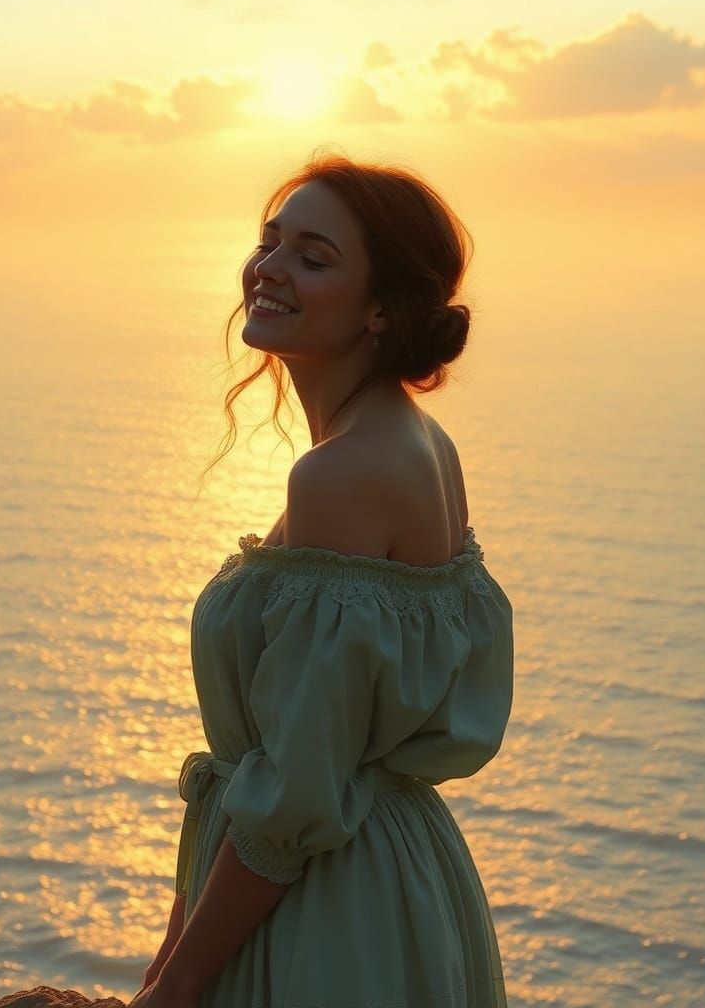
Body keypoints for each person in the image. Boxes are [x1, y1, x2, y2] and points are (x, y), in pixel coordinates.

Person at [128, 150, 515, 1008]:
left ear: (381, 309)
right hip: (386, 879)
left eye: (314, 256)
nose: (268, 270)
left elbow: (296, 789)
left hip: (326, 911)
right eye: (271, 242)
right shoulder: (417, 442)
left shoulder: (341, 475)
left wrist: (180, 983)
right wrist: (174, 940)